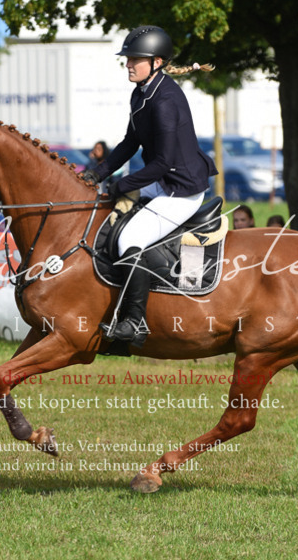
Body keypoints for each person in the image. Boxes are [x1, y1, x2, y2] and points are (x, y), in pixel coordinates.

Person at [83, 26, 216, 346]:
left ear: (157, 62)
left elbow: (163, 163)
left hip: (181, 190)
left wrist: (123, 185)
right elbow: (130, 142)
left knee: (130, 238)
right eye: (127, 58)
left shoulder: (166, 100)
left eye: (135, 59)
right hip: (162, 181)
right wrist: (97, 175)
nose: (128, 63)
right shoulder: (142, 91)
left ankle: (134, 322)